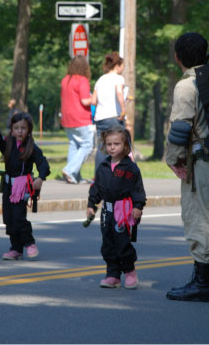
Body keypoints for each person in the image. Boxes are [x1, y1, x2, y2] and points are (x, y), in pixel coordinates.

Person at [165, 32, 209, 302]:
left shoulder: (186, 86)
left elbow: (181, 127)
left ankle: (203, 285)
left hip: (201, 162)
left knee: (200, 219)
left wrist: (173, 159)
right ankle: (203, 278)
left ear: (177, 57)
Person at [0, 109, 50, 260]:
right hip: (8, 186)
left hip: (21, 187)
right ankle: (16, 249)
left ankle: (29, 243)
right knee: (8, 218)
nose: (20, 131)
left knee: (18, 217)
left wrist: (41, 177)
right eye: (16, 128)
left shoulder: (31, 147)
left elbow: (43, 163)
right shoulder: (8, 143)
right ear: (12, 129)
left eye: (23, 128)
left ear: (29, 130)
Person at [87, 126, 146, 289]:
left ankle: (129, 272)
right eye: (109, 144)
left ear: (125, 145)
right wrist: (91, 204)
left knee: (122, 243)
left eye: (116, 144)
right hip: (107, 211)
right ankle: (113, 275)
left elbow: (137, 189)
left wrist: (138, 206)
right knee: (108, 243)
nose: (112, 147)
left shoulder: (130, 168)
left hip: (123, 211)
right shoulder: (103, 166)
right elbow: (96, 187)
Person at [60, 55, 95, 184]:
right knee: (87, 145)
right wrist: (96, 99)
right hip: (81, 118)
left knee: (74, 145)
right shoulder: (82, 80)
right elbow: (85, 101)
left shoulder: (65, 80)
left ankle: (74, 176)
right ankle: (69, 170)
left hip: (67, 119)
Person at [92, 52, 127, 171]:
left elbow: (93, 100)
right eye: (122, 66)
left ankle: (99, 176)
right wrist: (123, 110)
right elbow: (119, 93)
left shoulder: (100, 79)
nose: (123, 69)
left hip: (100, 118)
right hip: (114, 117)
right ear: (117, 65)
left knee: (102, 147)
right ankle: (119, 174)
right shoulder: (118, 78)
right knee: (119, 147)